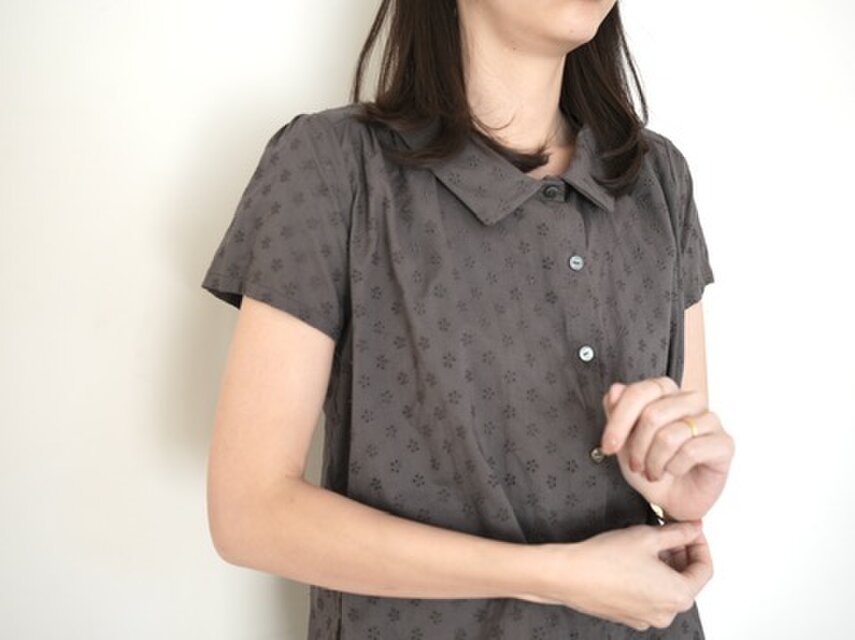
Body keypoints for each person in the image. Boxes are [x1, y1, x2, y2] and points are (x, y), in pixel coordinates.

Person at [200, 0, 735, 637]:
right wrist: (554, 574)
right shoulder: (333, 165)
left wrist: (676, 492)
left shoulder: (659, 181)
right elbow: (250, 514)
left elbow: (678, 452)